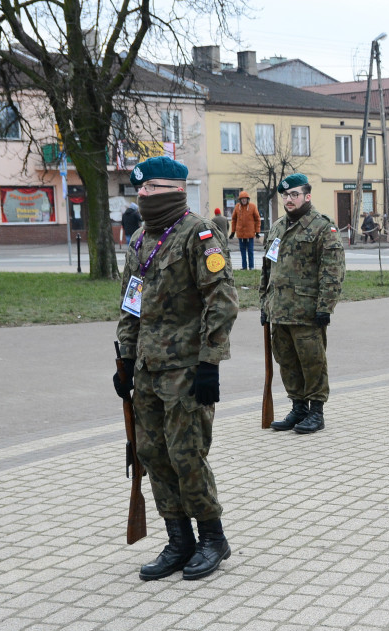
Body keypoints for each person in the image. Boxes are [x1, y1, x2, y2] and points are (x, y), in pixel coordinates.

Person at [113, 156, 239, 581]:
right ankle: (179, 539)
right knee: (151, 454)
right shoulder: (138, 243)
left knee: (187, 455)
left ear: (171, 189)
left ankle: (212, 538)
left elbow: (221, 302)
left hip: (187, 368)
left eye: (148, 189)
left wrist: (210, 362)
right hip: (148, 370)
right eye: (139, 190)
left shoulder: (198, 235)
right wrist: (127, 360)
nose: (141, 196)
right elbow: (130, 306)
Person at [260, 173, 345, 434]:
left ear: (307, 196)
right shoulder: (276, 227)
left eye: (294, 194)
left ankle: (316, 411)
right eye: (285, 195)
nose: (289, 199)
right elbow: (267, 269)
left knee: (312, 361)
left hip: (307, 311)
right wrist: (264, 303)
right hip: (280, 310)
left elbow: (332, 270)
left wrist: (325, 307)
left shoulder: (322, 227)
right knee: (286, 361)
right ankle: (298, 407)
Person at [230, 190, 261, 270]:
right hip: (240, 234)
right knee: (242, 251)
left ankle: (251, 266)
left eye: (245, 199)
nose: (244, 200)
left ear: (248, 199)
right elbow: (234, 220)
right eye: (242, 199)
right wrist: (233, 232)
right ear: (240, 200)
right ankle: (244, 267)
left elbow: (257, 219)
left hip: (250, 234)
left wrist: (257, 231)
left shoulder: (252, 206)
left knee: (250, 251)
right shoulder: (237, 207)